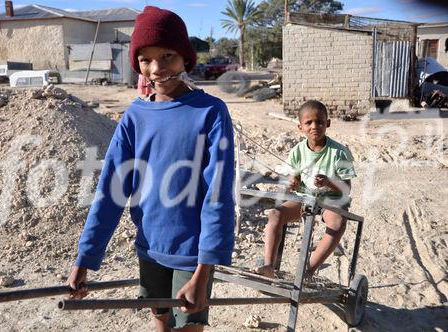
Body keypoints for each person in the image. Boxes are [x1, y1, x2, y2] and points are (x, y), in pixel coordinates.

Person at [67, 6, 235, 332]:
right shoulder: (134, 118)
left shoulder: (211, 113)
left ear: (185, 57)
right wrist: (85, 259)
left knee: (189, 328)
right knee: (161, 324)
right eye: (145, 59)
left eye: (167, 56)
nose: (156, 68)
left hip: (193, 254)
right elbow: (111, 192)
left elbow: (218, 195)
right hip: (150, 249)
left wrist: (204, 270)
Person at [255, 100, 356, 279]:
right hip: (305, 198)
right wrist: (293, 182)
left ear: (328, 123)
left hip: (332, 199)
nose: (314, 126)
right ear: (300, 127)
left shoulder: (339, 152)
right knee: (275, 215)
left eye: (319, 122)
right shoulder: (297, 151)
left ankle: (307, 270)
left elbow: (346, 189)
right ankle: (269, 265)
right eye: (308, 123)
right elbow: (295, 180)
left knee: (337, 223)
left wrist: (328, 182)